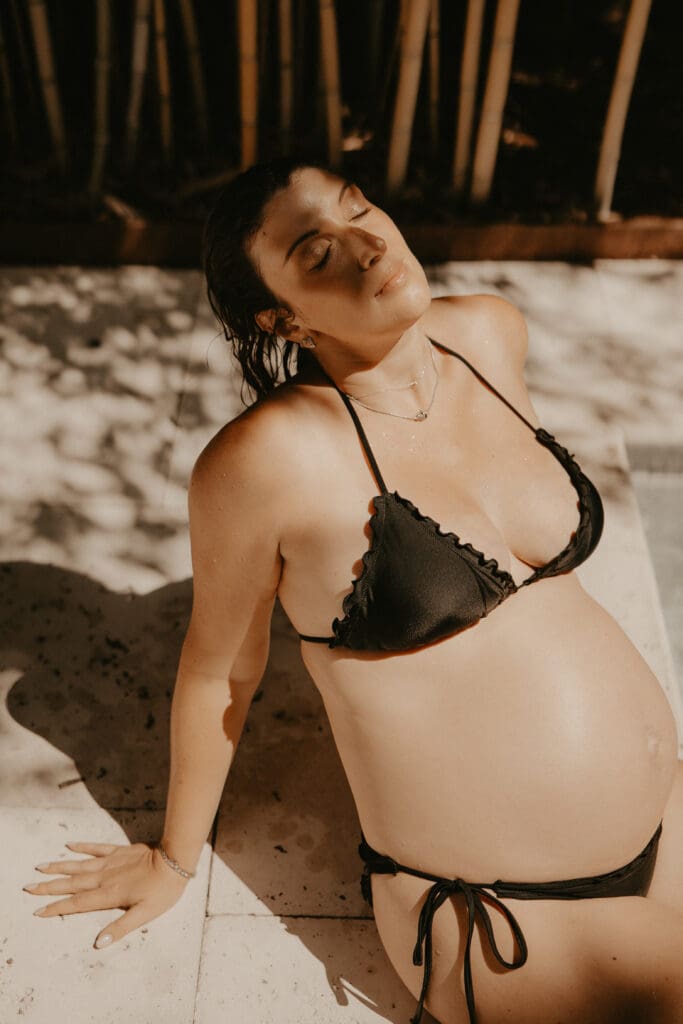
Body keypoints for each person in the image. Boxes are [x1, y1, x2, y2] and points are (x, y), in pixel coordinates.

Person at [25, 156, 683, 1024]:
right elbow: (221, 671)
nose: (365, 245)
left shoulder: (487, 335)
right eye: (316, 252)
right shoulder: (267, 460)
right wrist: (173, 859)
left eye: (358, 208)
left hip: (666, 814)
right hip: (509, 915)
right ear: (284, 319)